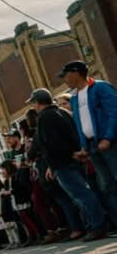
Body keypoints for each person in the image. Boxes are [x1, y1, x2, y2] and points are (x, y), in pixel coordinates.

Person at [28, 88, 109, 241]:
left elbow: (51, 142)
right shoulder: (63, 112)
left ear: (38, 103)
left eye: (34, 103)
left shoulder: (44, 117)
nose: (34, 107)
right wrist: (77, 152)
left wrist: (66, 156)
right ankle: (93, 226)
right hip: (75, 159)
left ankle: (98, 226)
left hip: (63, 162)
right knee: (84, 193)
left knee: (81, 195)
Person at [63, 60, 117, 226]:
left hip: (109, 143)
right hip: (93, 146)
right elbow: (81, 124)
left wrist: (108, 138)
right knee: (106, 186)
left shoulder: (100, 88)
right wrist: (84, 147)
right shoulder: (74, 97)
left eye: (65, 75)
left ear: (75, 73)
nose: (64, 79)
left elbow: (114, 112)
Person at [0, 175, 22, 249]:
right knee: (6, 228)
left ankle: (17, 241)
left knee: (11, 226)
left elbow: (5, 203)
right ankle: (11, 242)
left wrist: (2, 211)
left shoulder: (3, 191)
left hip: (5, 212)